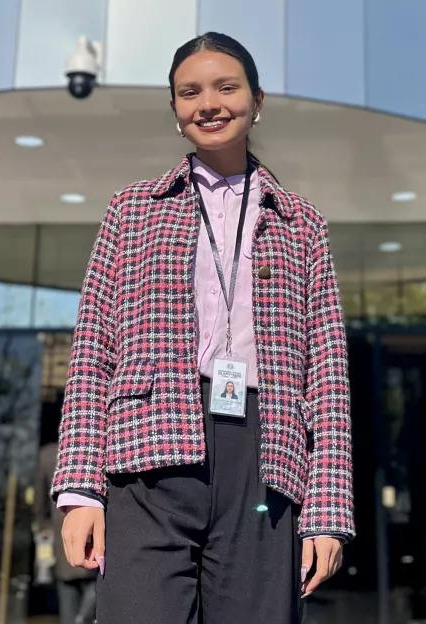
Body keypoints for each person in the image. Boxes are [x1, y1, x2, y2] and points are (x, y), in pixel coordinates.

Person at [50, 32, 355, 624]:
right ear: (174, 110)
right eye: (189, 92)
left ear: (256, 99)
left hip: (264, 460)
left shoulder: (301, 224)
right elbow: (92, 353)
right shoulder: (131, 210)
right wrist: (81, 490)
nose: (208, 104)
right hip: (148, 453)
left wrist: (327, 511)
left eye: (226, 87)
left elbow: (328, 378)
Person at [34, 442, 97, 624]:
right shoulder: (94, 447)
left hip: (65, 539)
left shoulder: (48, 455)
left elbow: (39, 506)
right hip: (94, 539)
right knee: (92, 601)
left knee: (70, 604)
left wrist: (44, 528)